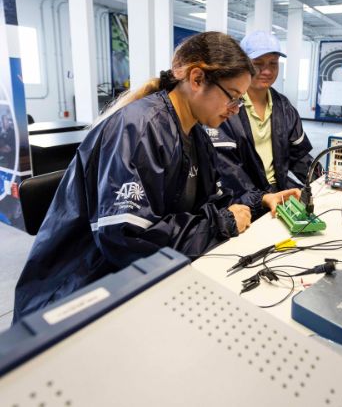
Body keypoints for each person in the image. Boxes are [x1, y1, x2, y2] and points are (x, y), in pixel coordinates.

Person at [13, 32, 256, 321]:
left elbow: (211, 201)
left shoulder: (197, 135)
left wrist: (248, 206)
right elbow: (127, 236)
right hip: (79, 292)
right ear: (197, 79)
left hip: (141, 275)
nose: (235, 110)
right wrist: (222, 223)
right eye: (232, 97)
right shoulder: (140, 129)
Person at [207, 30, 320, 220]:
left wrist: (323, 179)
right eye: (258, 64)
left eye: (273, 64)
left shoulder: (283, 107)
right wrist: (262, 199)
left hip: (280, 192)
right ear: (242, 65)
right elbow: (229, 172)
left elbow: (299, 156)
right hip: (242, 199)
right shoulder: (226, 109)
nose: (267, 71)